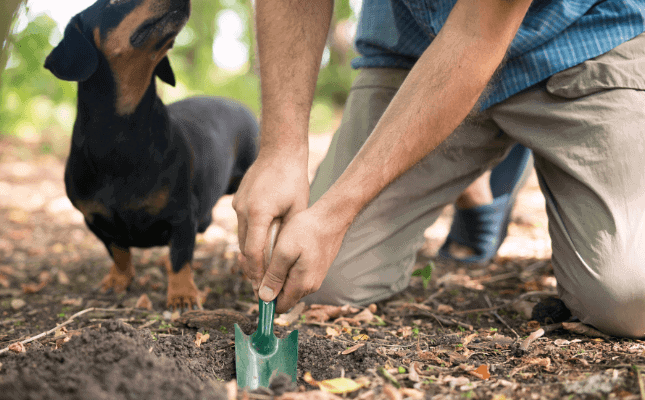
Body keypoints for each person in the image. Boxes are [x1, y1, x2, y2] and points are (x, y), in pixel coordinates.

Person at [233, 0, 645, 338]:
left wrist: (337, 210)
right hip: (413, 50)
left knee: (628, 300)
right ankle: (478, 186)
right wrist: (280, 150)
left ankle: (517, 150)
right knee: (321, 282)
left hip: (581, 43)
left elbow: (476, 34)